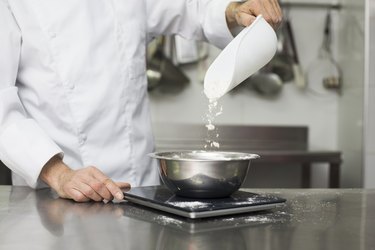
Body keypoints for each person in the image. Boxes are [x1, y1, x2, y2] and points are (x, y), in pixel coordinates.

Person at [0, 0, 282, 202]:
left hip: (141, 190)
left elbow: (188, 9)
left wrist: (232, 10)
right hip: (57, 196)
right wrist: (58, 173)